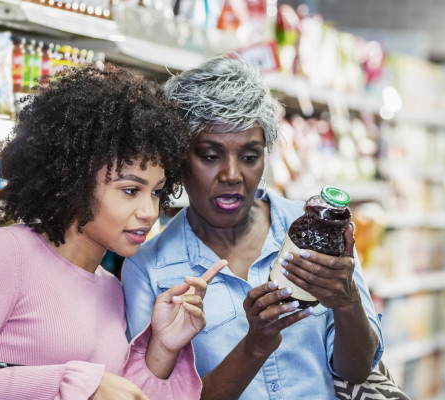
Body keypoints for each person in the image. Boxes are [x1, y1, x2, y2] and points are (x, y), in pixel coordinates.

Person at [0, 65, 224, 400]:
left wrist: (163, 346)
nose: (149, 212)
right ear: (75, 180)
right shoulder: (6, 253)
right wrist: (74, 384)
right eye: (131, 190)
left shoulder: (110, 288)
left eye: (157, 192)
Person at [122, 55, 384, 399]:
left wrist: (346, 301)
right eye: (210, 155)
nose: (232, 175)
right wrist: (255, 346)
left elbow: (357, 370)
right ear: (177, 158)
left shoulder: (314, 233)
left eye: (249, 156)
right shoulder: (150, 270)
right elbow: (154, 396)